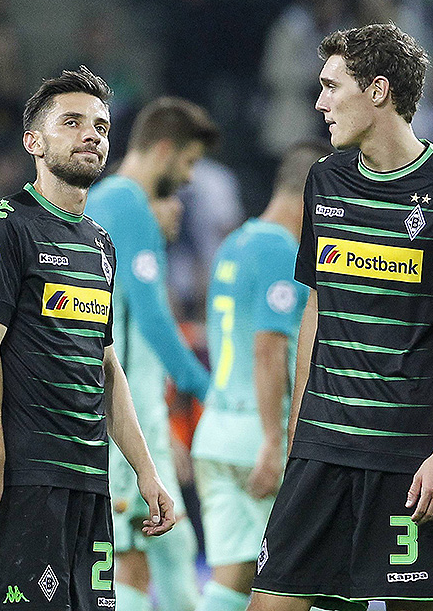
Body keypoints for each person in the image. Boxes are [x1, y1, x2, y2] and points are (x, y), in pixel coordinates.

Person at [249, 24, 433, 611]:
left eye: (333, 87)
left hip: (409, 456)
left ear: (378, 91)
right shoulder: (324, 180)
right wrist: (297, 428)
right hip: (322, 447)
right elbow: (316, 304)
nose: (320, 102)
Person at [0, 66, 176, 611]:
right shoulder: (4, 227)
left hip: (91, 479)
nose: (92, 135)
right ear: (34, 141)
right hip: (27, 478)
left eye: (100, 125)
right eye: (72, 123)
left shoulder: (100, 244)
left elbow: (105, 368)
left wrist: (147, 473)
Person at [86, 96, 220, 611]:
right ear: (163, 151)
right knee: (132, 565)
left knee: (176, 545)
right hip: (124, 418)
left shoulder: (106, 203)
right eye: (187, 163)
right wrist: (206, 389)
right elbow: (155, 317)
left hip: (139, 414)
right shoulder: (125, 203)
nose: (187, 178)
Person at [190, 141, 329, 611]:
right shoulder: (280, 248)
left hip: (216, 429)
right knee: (299, 580)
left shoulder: (237, 240)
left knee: (230, 581)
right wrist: (274, 440)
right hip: (259, 434)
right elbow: (269, 347)